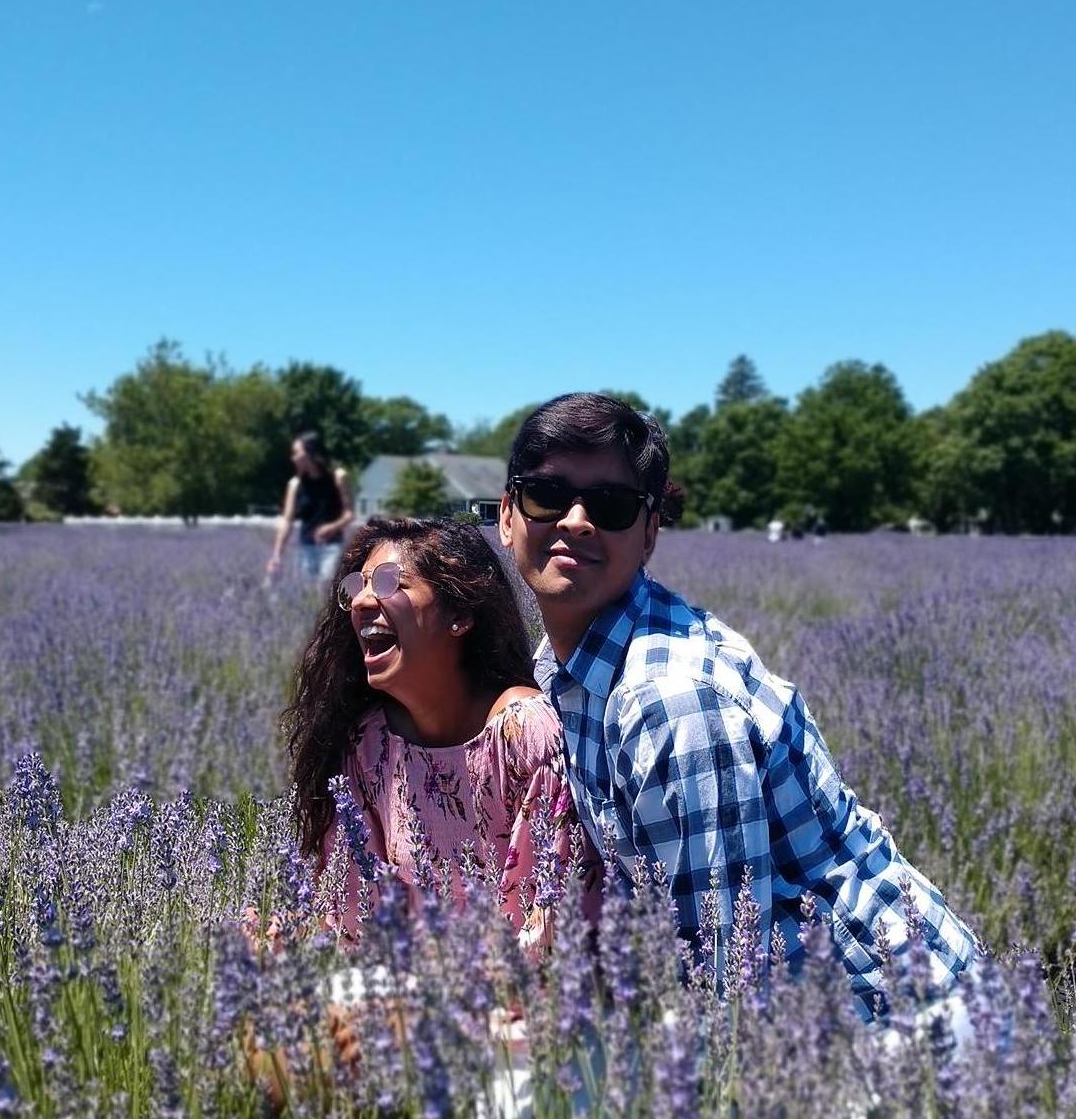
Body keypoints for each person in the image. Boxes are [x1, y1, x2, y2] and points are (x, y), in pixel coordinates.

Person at [497, 392, 977, 1022]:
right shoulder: (568, 661)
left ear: (648, 533)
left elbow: (728, 969)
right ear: (508, 516)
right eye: (547, 497)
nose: (577, 520)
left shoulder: (671, 703)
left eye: (611, 505)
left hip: (895, 1021)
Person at [283, 515, 598, 935]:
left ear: (460, 615)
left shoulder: (523, 736)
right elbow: (351, 921)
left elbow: (550, 922)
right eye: (357, 587)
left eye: (389, 583)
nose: (360, 602)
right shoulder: (369, 745)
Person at [267, 432, 354, 583]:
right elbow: (287, 521)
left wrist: (332, 527)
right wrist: (277, 554)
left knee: (327, 590)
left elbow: (349, 514)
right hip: (306, 548)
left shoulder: (338, 477)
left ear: (310, 454)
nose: (293, 458)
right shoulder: (295, 485)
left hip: (331, 547)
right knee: (307, 594)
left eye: (296, 453)